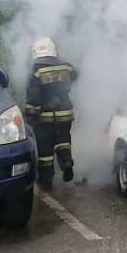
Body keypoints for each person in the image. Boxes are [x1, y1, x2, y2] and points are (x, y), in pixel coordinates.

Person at [25, 37, 78, 185]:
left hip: (45, 117)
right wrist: (64, 87)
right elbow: (76, 74)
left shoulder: (36, 71)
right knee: (63, 140)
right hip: (65, 114)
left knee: (45, 148)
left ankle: (46, 179)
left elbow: (33, 97)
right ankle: (66, 161)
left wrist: (30, 114)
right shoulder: (67, 67)